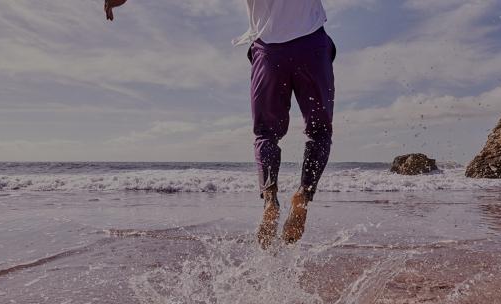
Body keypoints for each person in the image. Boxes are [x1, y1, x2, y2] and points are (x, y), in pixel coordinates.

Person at [104, 0, 336, 249]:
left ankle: (270, 197)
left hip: (269, 53)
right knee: (319, 131)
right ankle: (303, 194)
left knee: (266, 134)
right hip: (311, 46)